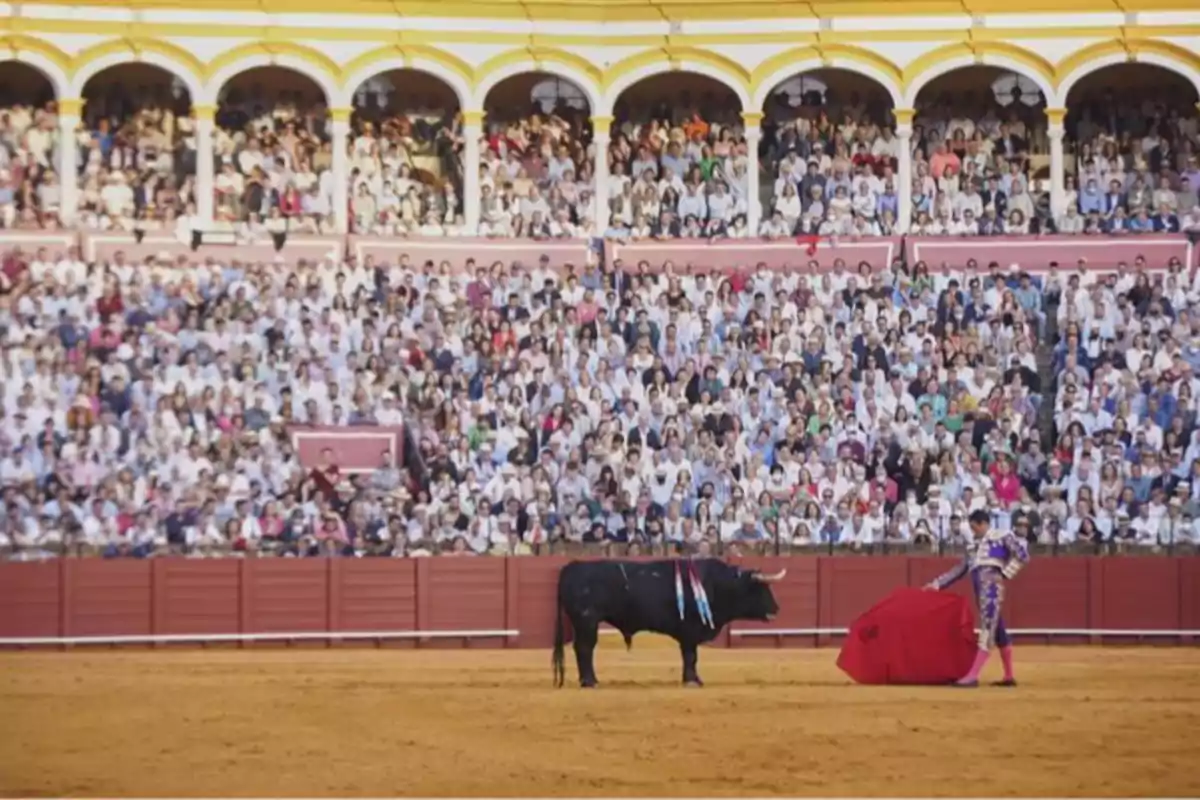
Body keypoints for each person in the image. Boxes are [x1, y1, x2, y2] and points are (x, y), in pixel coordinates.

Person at [925, 508, 1029, 687]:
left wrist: (1004, 573)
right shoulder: (972, 546)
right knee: (998, 631)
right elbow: (959, 570)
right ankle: (1009, 676)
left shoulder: (1001, 536)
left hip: (992, 590)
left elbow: (1023, 555)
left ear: (984, 524)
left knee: (987, 629)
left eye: (975, 528)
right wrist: (936, 585)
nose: (974, 532)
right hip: (980, 592)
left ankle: (972, 676)